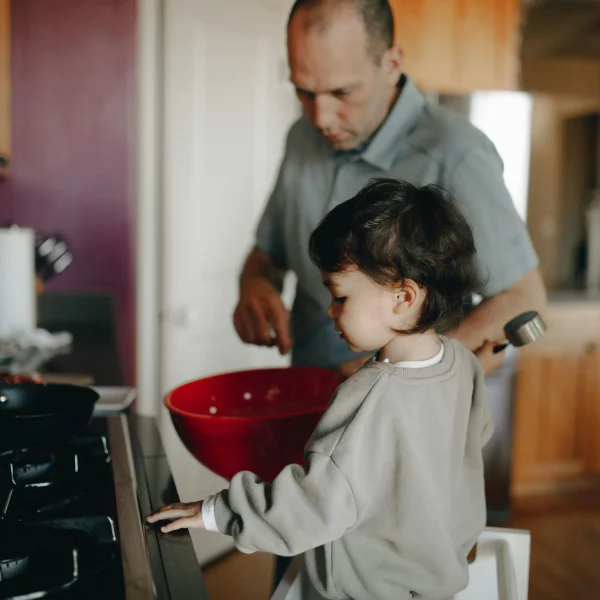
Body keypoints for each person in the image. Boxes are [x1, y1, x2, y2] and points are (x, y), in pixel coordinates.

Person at [147, 179, 494, 600]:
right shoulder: (462, 364)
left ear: (403, 298)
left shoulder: (367, 399)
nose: (329, 310)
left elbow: (313, 506)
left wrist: (217, 512)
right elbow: (471, 443)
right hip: (438, 579)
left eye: (340, 297)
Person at [232, 0, 547, 379]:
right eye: (305, 93)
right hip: (310, 398)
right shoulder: (301, 137)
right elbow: (267, 254)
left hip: (408, 419)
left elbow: (523, 298)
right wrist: (254, 284)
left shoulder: (456, 153)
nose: (321, 118)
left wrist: (388, 375)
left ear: (391, 63)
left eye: (343, 92)